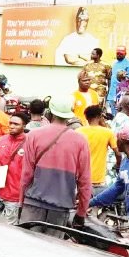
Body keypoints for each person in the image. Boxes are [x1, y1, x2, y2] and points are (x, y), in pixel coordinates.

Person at [19, 95, 91, 238]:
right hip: (61, 207)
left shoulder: (33, 136)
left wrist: (21, 203)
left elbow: (26, 175)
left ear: (49, 113)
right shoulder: (80, 141)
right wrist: (81, 213)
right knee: (52, 253)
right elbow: (85, 182)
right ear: (69, 116)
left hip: (33, 203)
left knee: (27, 249)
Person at [77, 106, 121, 194]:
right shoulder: (107, 132)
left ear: (86, 117)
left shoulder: (78, 131)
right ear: (100, 116)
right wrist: (118, 165)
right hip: (99, 180)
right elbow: (118, 154)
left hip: (80, 178)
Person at [108, 46, 129, 115]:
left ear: (125, 54)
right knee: (113, 114)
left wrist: (123, 76)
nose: (119, 55)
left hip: (121, 94)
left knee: (120, 114)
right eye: (118, 53)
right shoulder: (114, 63)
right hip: (112, 93)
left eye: (121, 54)